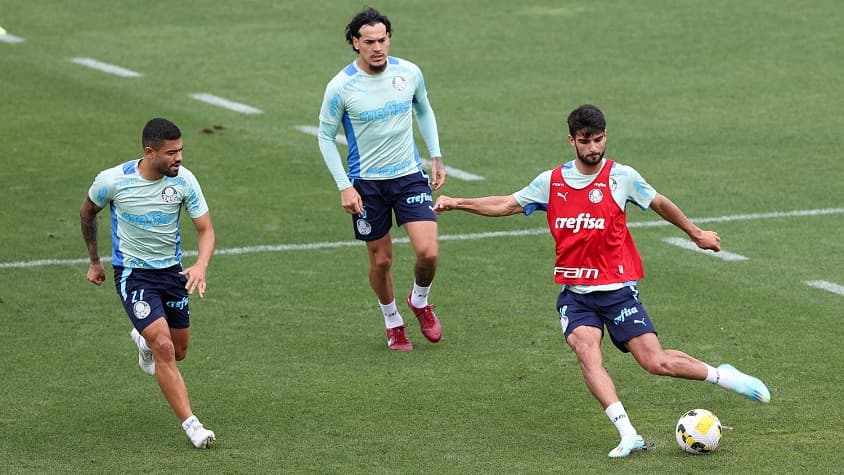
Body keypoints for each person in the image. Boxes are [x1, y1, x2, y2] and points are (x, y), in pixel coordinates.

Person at [434, 104, 771, 458]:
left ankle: (724, 376)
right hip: (576, 296)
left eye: (598, 139)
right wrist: (458, 203)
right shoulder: (551, 182)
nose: (593, 148)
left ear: (605, 135)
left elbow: (658, 203)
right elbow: (505, 204)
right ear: (571, 141)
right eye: (585, 141)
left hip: (618, 291)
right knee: (587, 354)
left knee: (655, 362)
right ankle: (628, 434)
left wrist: (695, 232)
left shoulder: (620, 176)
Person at [80, 118, 217, 449]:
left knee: (179, 350)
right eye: (172, 153)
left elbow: (205, 229)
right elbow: (88, 213)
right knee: (164, 346)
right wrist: (96, 261)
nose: (179, 158)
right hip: (133, 273)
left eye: (181, 150)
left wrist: (200, 265)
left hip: (172, 274)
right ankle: (192, 424)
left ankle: (143, 339)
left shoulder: (184, 182)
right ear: (149, 152)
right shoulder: (112, 181)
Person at [317, 7, 447, 351]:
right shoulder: (341, 86)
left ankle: (419, 301)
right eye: (369, 41)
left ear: (389, 39)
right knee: (382, 260)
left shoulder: (409, 73)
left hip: (408, 176)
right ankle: (393, 320)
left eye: (383, 40)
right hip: (366, 184)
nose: (378, 47)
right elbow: (324, 137)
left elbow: (423, 107)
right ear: (355, 43)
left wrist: (435, 154)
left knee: (428, 252)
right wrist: (344, 185)